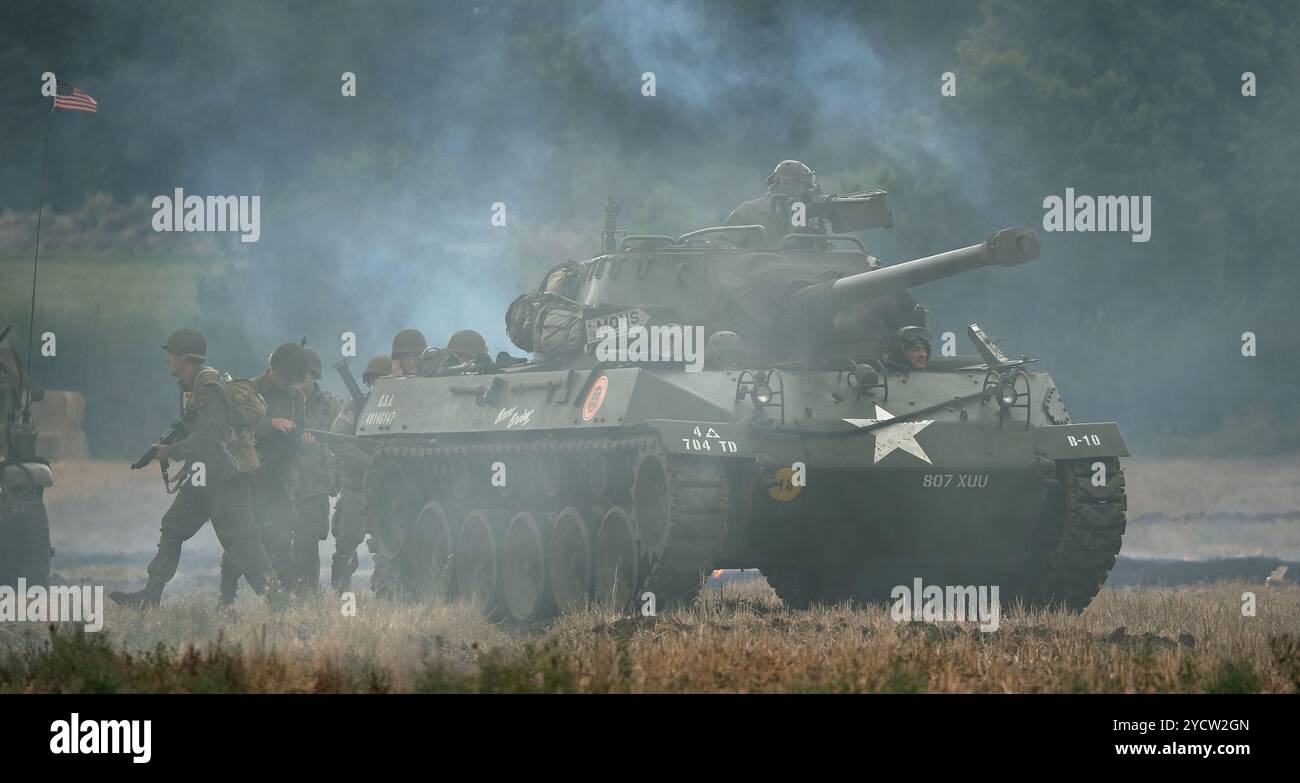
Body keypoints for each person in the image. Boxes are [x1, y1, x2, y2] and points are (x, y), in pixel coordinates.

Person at [110, 329, 280, 609]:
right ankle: (150, 597)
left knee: (242, 543)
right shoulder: (192, 386)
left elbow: (211, 436)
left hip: (225, 479)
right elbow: (198, 429)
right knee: (174, 526)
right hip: (202, 476)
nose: (167, 359)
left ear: (185, 358)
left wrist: (172, 451)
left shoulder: (207, 387)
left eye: (170, 354)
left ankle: (280, 601)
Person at [218, 341, 308, 605]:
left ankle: (282, 599)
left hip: (280, 479)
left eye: (295, 380)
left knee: (281, 539)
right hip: (252, 477)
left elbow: (298, 435)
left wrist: (303, 439)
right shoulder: (249, 391)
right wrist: (271, 424)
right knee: (244, 540)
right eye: (288, 378)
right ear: (275, 371)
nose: (291, 384)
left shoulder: (296, 397)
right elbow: (234, 429)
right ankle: (226, 599)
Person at [328, 355, 391, 592]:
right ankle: (341, 590)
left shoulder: (400, 410)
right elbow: (337, 440)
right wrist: (366, 460)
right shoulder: (355, 407)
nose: (378, 385)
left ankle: (386, 589)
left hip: (387, 488)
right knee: (346, 540)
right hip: (356, 486)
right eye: (374, 380)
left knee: (387, 544)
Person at [291, 347, 342, 595]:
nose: (299, 383)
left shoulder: (330, 405)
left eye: (304, 377)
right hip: (284, 484)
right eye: (295, 377)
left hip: (315, 485)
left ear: (314, 376)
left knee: (306, 543)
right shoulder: (282, 401)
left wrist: (319, 444)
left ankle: (308, 594)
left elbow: (342, 440)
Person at [724, 160, 826, 248]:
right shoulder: (748, 211)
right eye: (802, 187)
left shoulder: (809, 215)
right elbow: (725, 247)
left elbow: (822, 253)